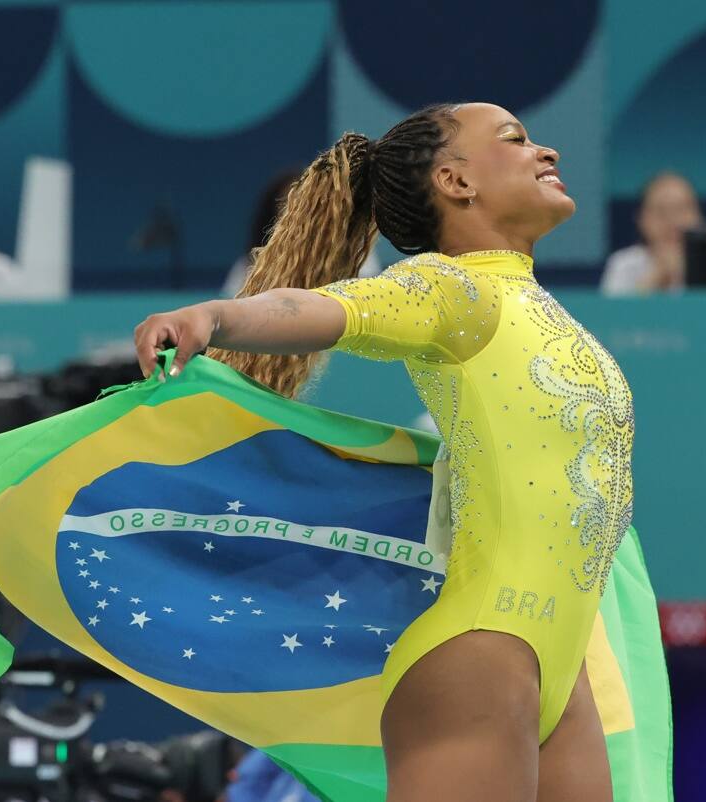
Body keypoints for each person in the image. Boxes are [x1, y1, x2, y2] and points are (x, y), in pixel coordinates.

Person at [133, 102, 635, 802]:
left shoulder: (530, 302)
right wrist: (213, 317)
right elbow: (324, 310)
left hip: (561, 668)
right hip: (481, 657)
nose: (546, 151)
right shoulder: (454, 290)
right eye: (515, 139)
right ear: (456, 181)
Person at [221, 168, 381, 298]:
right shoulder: (249, 267)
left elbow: (367, 302)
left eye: (307, 204)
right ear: (272, 215)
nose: (298, 214)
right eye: (287, 205)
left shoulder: (355, 253)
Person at [600, 171, 701, 296]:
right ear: (641, 219)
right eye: (661, 211)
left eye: (681, 209)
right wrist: (655, 278)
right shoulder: (623, 265)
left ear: (698, 216)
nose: (672, 221)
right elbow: (613, 308)